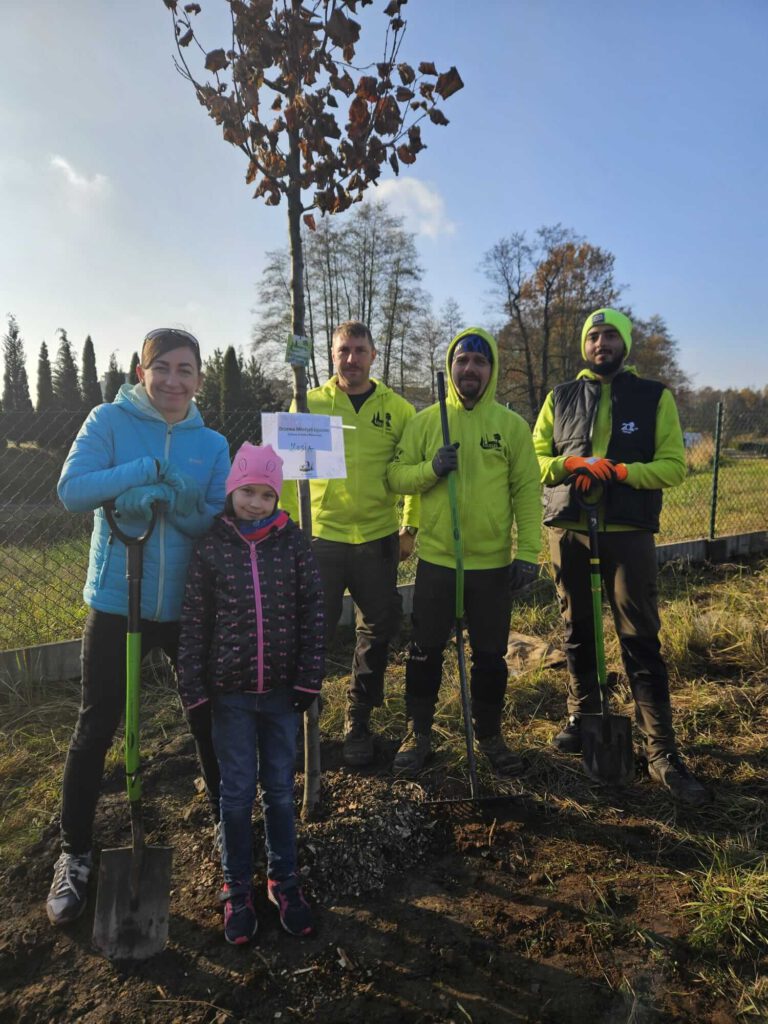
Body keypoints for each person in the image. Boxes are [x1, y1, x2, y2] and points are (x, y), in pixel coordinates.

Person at [46, 328, 231, 927]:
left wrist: (178, 503)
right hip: (115, 599)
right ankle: (74, 851)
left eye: (186, 370)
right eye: (163, 369)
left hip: (185, 605)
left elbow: (213, 518)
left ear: (200, 379)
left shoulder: (213, 442)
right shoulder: (107, 421)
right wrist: (143, 470)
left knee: (207, 715)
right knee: (96, 724)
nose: (174, 382)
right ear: (140, 371)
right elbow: (73, 491)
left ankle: (231, 835)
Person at [532, 307, 709, 805]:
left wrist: (619, 472)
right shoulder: (560, 397)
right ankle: (584, 715)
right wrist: (571, 464)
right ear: (584, 345)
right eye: (594, 336)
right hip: (570, 529)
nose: (601, 343)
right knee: (577, 629)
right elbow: (535, 457)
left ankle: (661, 750)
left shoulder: (654, 397)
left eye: (610, 335)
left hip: (628, 531)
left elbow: (673, 465)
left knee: (639, 636)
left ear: (625, 344)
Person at [177, 443, 324, 944]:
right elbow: (195, 623)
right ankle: (236, 886)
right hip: (231, 697)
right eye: (247, 492)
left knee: (280, 791)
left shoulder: (295, 544)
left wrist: (308, 677)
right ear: (231, 492)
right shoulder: (212, 547)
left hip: (283, 694)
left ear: (277, 497)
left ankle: (284, 879)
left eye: (266, 494)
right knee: (236, 794)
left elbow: (314, 613)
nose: (256, 503)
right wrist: (193, 689)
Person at [386, 328, 542, 775]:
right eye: (461, 360)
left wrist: (528, 552)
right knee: (424, 650)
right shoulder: (426, 422)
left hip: (491, 565)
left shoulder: (510, 427)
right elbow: (396, 476)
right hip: (437, 560)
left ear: (490, 370)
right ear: (450, 367)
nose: (469, 368)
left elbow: (527, 493)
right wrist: (431, 468)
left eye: (479, 360)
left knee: (491, 656)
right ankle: (419, 734)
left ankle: (490, 736)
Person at [281, 321, 419, 767]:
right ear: (332, 355)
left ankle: (358, 720)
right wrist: (285, 530)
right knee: (310, 634)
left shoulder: (397, 410)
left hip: (377, 540)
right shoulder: (309, 404)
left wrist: (409, 527)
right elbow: (287, 473)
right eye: (344, 351)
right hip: (321, 540)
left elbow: (412, 471)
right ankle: (305, 723)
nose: (351, 359)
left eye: (360, 350)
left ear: (373, 356)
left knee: (377, 630)